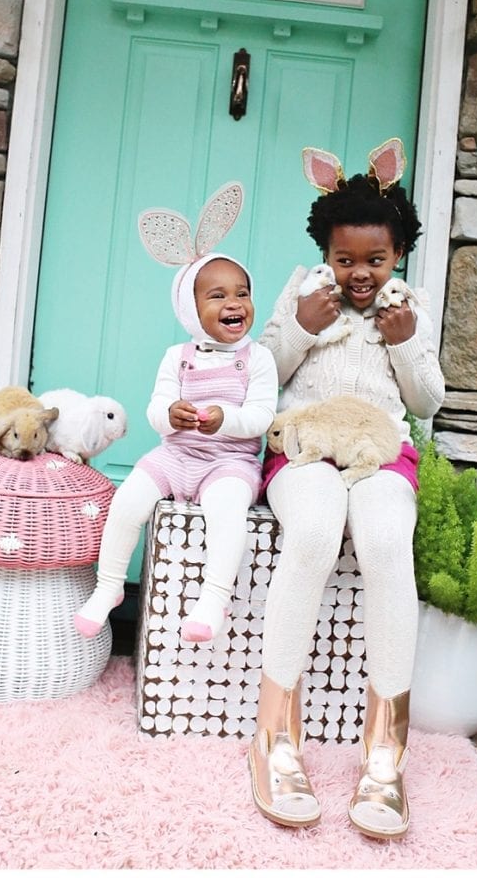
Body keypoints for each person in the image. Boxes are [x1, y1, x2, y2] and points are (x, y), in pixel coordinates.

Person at [248, 139, 445, 838]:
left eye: (376, 260)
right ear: (325, 252)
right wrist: (301, 330)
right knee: (312, 530)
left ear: (399, 256)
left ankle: (385, 751)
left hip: (380, 452)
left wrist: (402, 340)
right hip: (305, 446)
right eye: (345, 259)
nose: (359, 274)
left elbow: (425, 402)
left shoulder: (409, 306)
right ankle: (275, 738)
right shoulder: (303, 291)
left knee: (389, 539)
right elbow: (263, 370)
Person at [75, 185, 278, 643]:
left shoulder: (257, 359)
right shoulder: (177, 355)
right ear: (191, 309)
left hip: (229, 464)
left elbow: (262, 416)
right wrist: (172, 414)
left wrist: (227, 418)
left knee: (228, 514)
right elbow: (155, 409)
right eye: (217, 296)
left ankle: (213, 598)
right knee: (126, 501)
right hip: (176, 456)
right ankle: (108, 587)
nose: (234, 304)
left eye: (242, 294)